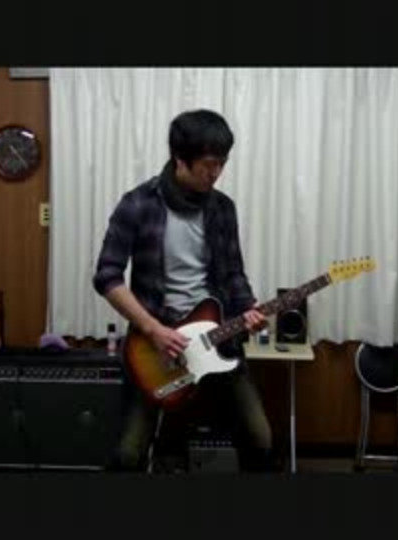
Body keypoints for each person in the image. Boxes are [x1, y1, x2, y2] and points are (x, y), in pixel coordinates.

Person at [92, 109, 275, 472]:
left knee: (260, 439)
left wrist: (249, 308)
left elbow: (233, 273)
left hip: (218, 338)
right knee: (129, 452)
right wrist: (153, 330)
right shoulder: (138, 204)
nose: (216, 173)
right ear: (180, 159)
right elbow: (107, 277)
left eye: (222, 163)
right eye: (208, 164)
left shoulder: (223, 209)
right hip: (155, 345)